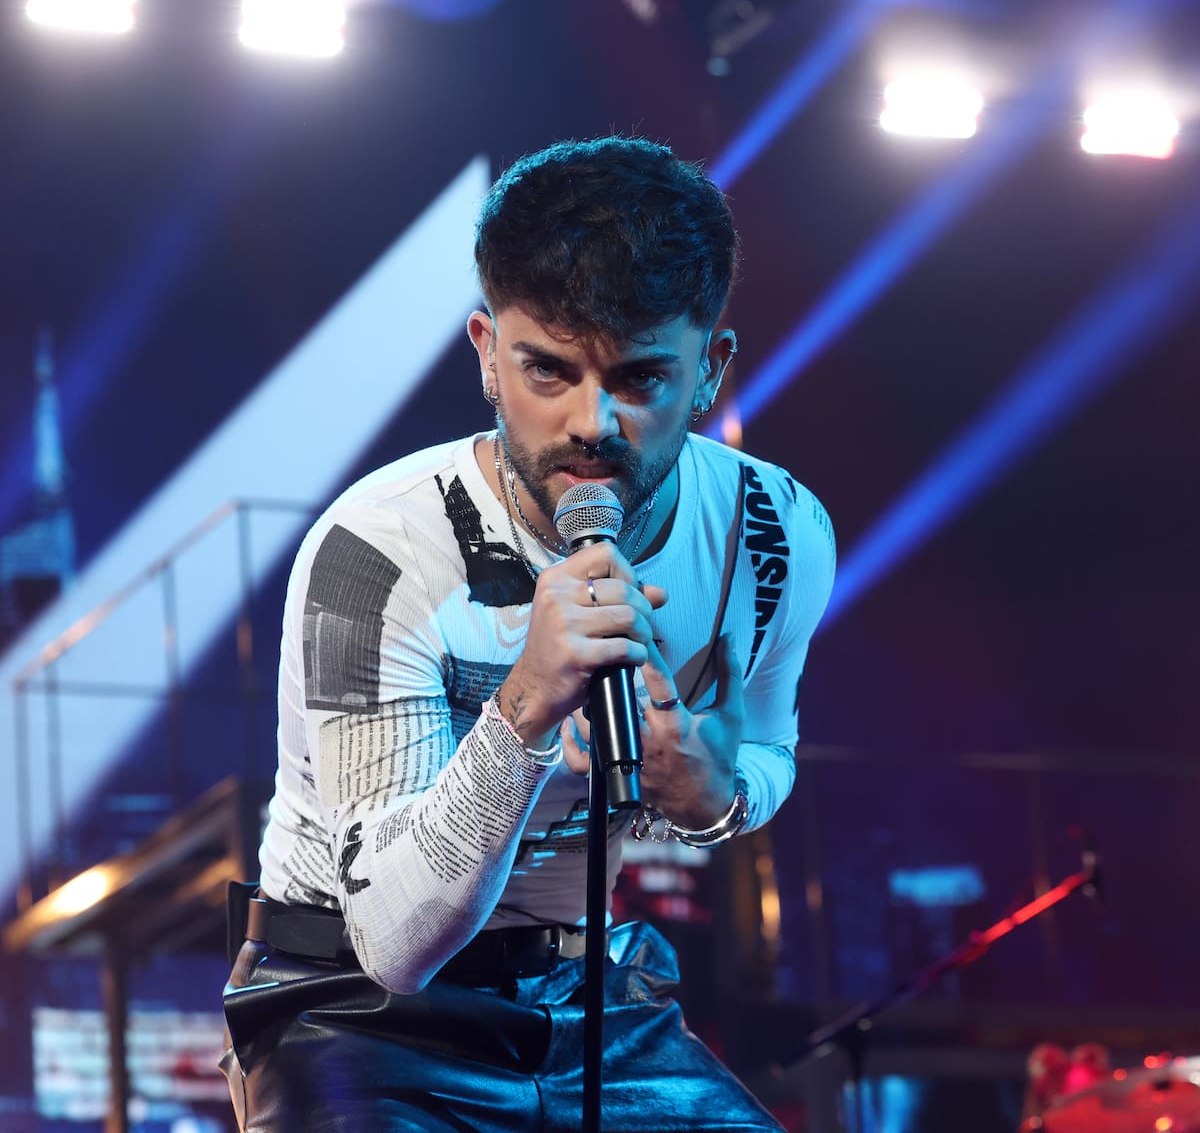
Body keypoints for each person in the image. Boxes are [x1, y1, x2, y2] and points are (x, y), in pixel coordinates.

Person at [219, 135, 836, 1132]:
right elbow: (395, 945)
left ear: (711, 369)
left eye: (641, 379)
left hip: (590, 989)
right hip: (351, 999)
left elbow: (766, 754)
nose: (591, 424)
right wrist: (523, 708)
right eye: (547, 370)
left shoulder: (772, 533)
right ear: (486, 354)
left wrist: (712, 797)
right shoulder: (376, 551)